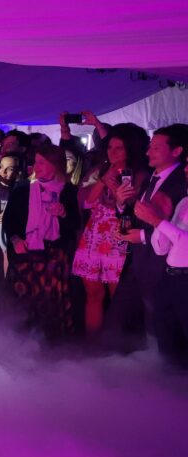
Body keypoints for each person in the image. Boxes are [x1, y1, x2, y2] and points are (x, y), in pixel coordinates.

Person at [106, 125, 187, 351]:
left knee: (157, 325)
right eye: (149, 146)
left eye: (156, 147)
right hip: (139, 261)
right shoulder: (152, 177)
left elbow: (180, 228)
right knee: (122, 318)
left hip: (163, 265)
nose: (149, 152)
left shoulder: (182, 181)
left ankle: (159, 366)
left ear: (177, 151)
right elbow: (140, 215)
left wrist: (141, 235)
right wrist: (121, 203)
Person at [71, 125, 148, 338]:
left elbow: (134, 208)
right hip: (94, 235)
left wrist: (115, 187)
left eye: (119, 148)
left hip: (120, 237)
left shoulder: (140, 174)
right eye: (110, 147)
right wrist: (103, 180)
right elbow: (86, 202)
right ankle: (93, 343)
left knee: (119, 297)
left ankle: (117, 346)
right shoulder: (100, 169)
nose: (112, 152)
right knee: (93, 294)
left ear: (131, 149)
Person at [3, 144, 82, 339]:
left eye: (42, 163)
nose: (36, 167)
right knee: (23, 306)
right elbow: (9, 221)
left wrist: (63, 214)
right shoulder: (22, 190)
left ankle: (51, 346)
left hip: (53, 257)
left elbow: (75, 225)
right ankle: (22, 344)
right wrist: (15, 240)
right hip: (25, 256)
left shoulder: (68, 191)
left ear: (55, 165)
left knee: (50, 305)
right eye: (36, 162)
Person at [135, 172, 188, 368]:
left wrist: (157, 221)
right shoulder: (184, 202)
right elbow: (161, 248)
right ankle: (169, 380)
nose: (186, 169)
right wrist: (158, 220)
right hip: (170, 278)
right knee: (167, 341)